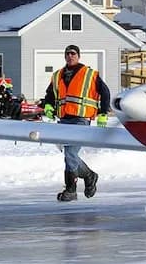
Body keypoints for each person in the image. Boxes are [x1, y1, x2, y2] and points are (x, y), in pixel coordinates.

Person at [42, 44, 111, 202]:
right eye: (67, 54)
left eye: (73, 53)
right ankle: (89, 176)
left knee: (70, 154)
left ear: (78, 56)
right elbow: (50, 94)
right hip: (64, 119)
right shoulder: (58, 75)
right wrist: (48, 106)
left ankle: (71, 189)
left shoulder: (89, 74)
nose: (70, 56)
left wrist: (103, 113)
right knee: (68, 155)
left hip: (81, 119)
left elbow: (105, 92)